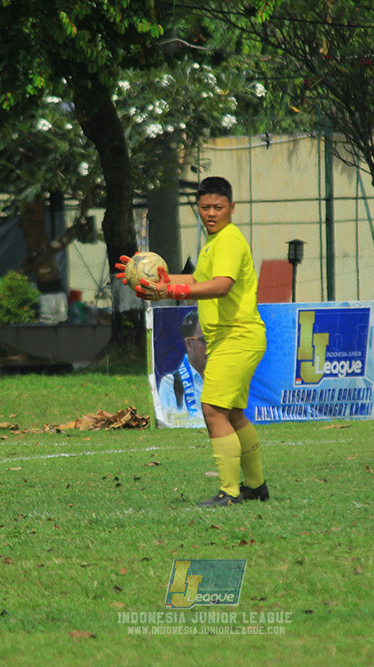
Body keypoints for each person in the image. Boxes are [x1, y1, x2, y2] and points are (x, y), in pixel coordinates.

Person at [117, 176, 269, 507]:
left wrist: (172, 290)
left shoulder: (228, 241)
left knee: (213, 409)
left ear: (232, 207)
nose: (211, 213)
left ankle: (229, 492)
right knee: (234, 413)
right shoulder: (214, 242)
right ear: (197, 207)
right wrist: (145, 278)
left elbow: (220, 286)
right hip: (234, 337)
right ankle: (256, 487)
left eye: (218, 207)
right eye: (204, 207)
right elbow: (198, 280)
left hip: (237, 336)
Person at [157, 310, 206, 423]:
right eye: (206, 341)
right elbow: (169, 423)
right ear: (189, 344)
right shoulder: (171, 383)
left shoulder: (225, 380)